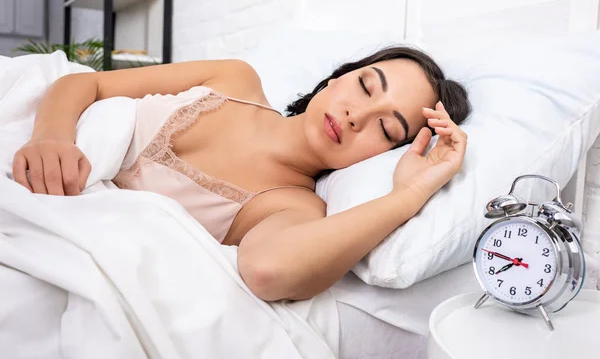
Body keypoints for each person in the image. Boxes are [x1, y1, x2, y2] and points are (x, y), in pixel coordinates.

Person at [12, 46, 471, 302]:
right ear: (338, 77)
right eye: (366, 85)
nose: (357, 115)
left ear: (381, 157)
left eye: (386, 128)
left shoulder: (293, 206)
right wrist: (51, 137)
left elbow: (269, 271)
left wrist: (408, 194)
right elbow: (85, 82)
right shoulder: (234, 78)